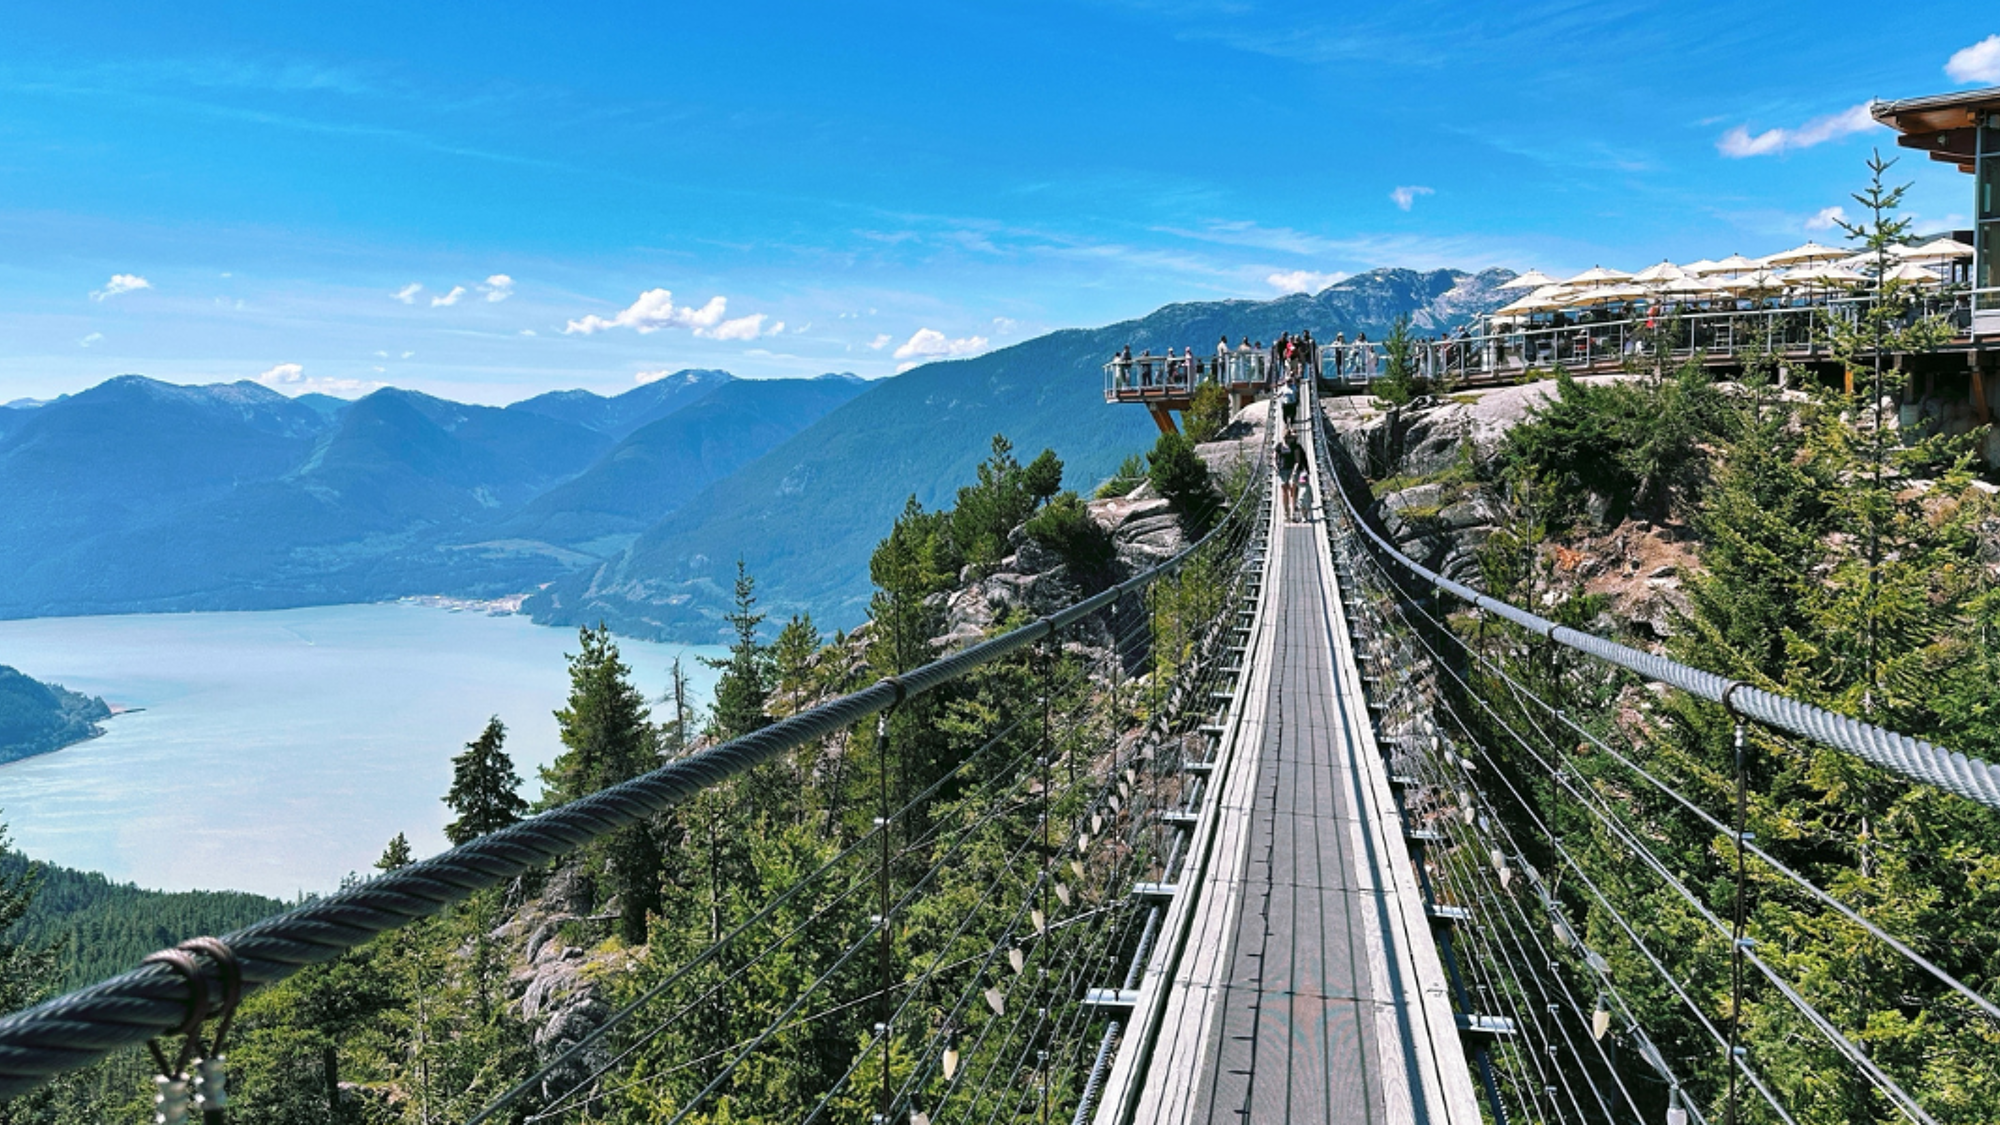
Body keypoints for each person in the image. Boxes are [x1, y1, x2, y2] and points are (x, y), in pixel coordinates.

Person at [1276, 428, 1302, 522]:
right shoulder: (1279, 446)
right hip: (1282, 470)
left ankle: (1292, 512)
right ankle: (1286, 512)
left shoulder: (1295, 446)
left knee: (1292, 490)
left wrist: (1295, 470)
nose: (1287, 439)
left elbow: (1297, 460)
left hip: (1292, 470)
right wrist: (1275, 467)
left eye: (1288, 437)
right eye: (1285, 437)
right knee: (1284, 491)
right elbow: (1274, 457)